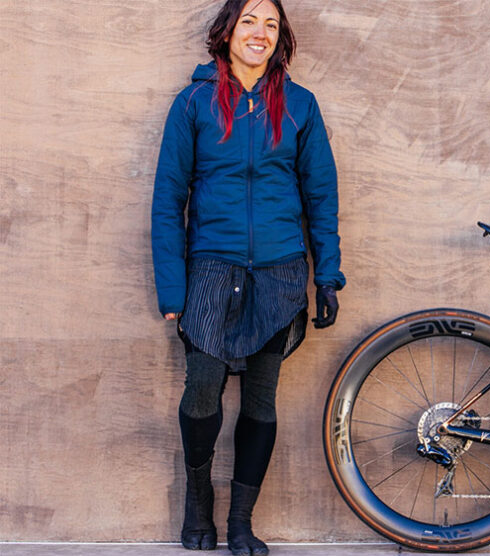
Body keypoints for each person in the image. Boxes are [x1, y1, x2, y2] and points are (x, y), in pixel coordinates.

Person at [151, 1, 344, 553]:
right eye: (250, 21)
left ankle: (240, 522)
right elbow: (168, 199)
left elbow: (321, 195)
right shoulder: (194, 103)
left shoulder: (300, 105)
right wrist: (172, 287)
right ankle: (197, 500)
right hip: (212, 268)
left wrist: (327, 275)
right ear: (228, 31)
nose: (260, 33)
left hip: (280, 272)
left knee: (262, 400)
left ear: (280, 37)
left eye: (271, 24)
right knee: (201, 389)